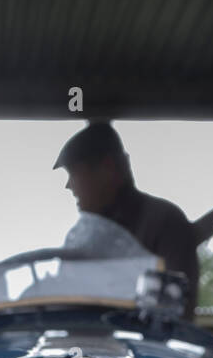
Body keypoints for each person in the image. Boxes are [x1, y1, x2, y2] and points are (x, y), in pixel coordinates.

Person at [54, 122, 199, 315]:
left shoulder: (165, 222)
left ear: (108, 167)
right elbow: (63, 301)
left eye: (75, 172)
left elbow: (173, 315)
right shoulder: (80, 236)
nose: (69, 186)